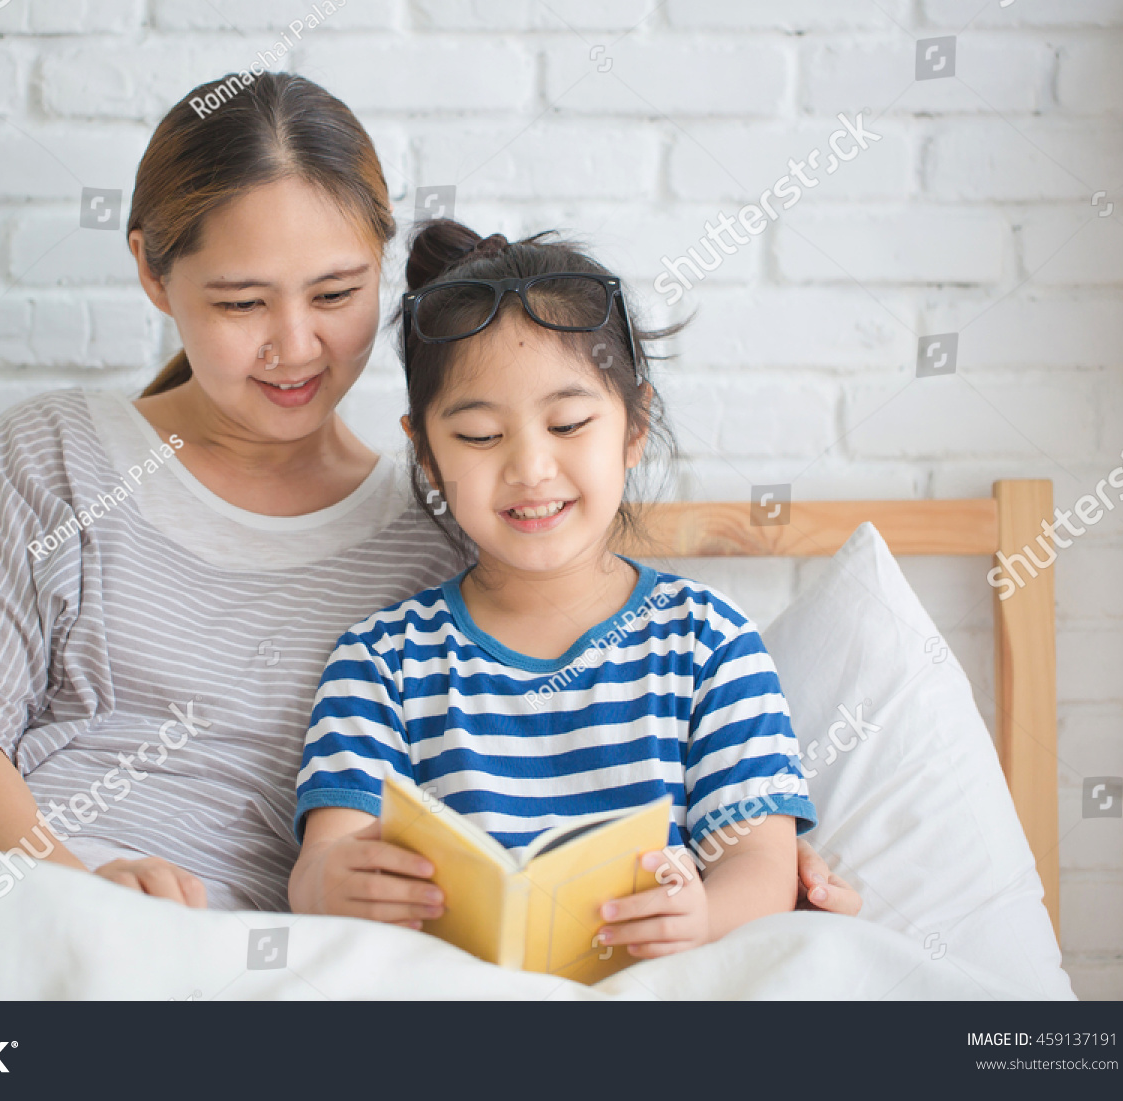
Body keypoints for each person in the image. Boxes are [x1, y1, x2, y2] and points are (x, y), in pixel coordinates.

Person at [0, 72, 860, 921]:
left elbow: (530, 755)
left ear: (384, 269)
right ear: (154, 277)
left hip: (214, 947)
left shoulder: (447, 535)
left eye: (337, 295)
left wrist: (754, 866)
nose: (296, 348)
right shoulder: (53, 456)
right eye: (242, 301)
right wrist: (68, 886)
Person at [289, 220, 832, 957]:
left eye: (569, 423)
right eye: (480, 437)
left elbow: (762, 865)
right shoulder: (381, 662)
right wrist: (329, 885)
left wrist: (703, 916)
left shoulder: (708, 641)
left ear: (635, 425)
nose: (531, 469)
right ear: (425, 452)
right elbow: (324, 861)